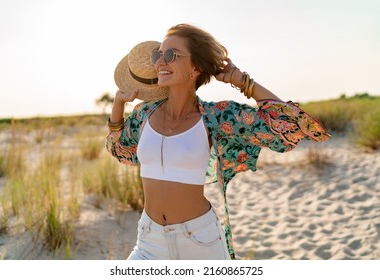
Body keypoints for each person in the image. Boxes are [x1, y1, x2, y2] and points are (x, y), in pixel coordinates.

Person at [106, 23, 330, 260]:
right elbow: (120, 151)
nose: (161, 62)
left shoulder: (216, 117)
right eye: (158, 55)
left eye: (171, 55)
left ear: (196, 68)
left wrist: (244, 82)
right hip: (149, 241)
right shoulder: (143, 114)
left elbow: (291, 125)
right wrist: (118, 106)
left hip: (200, 242)